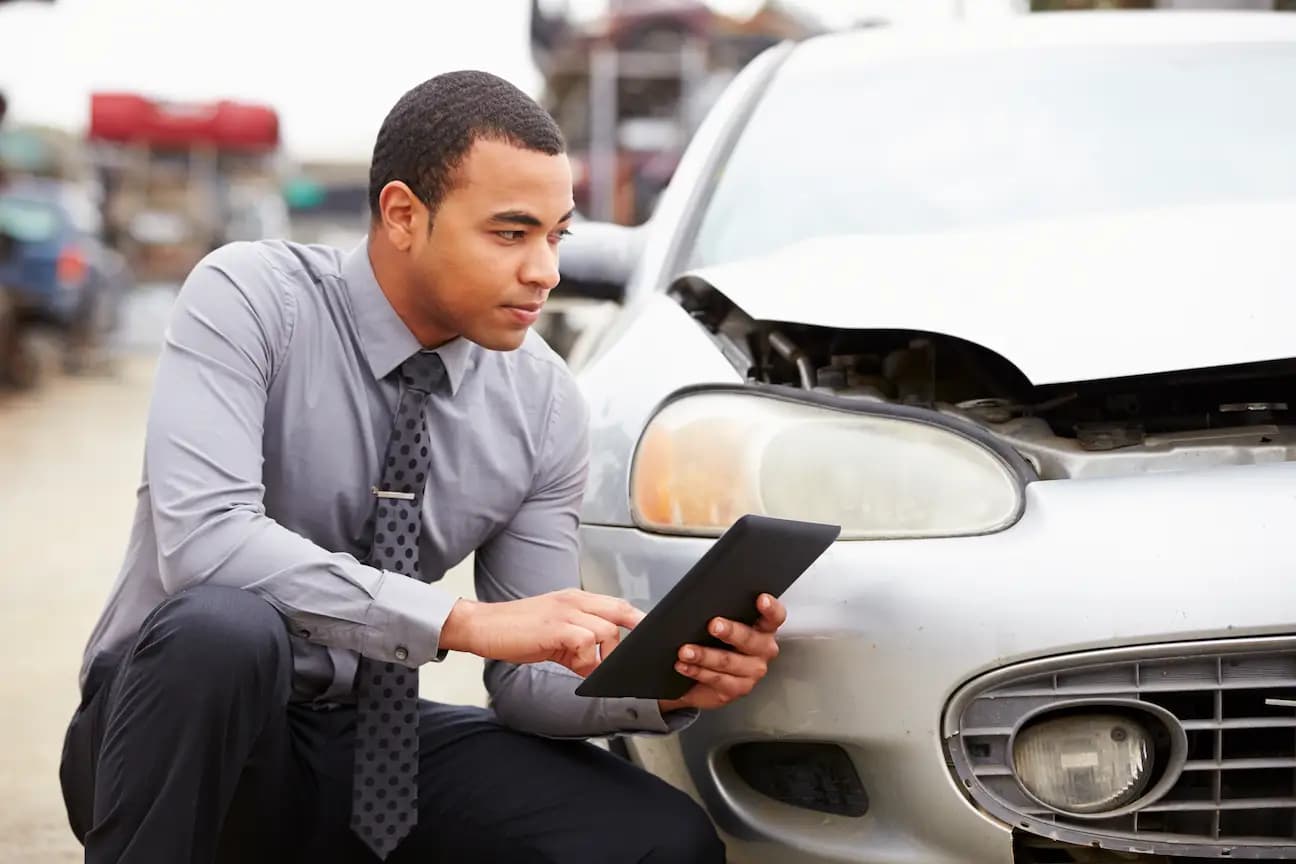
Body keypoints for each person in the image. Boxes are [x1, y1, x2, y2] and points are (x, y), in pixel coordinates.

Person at [58, 70, 787, 864]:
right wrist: (458, 623)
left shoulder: (543, 402)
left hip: (363, 746)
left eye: (556, 236)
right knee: (224, 630)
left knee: (655, 840)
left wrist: (663, 680)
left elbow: (528, 687)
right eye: (511, 234)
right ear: (403, 215)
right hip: (172, 735)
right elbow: (205, 541)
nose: (544, 270)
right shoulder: (250, 299)